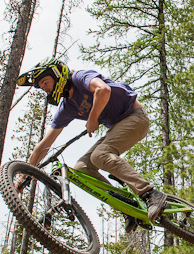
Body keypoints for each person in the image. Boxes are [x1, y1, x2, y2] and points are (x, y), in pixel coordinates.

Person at [15, 58, 167, 231]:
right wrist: (23, 175)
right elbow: (44, 144)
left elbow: (103, 90)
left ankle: (150, 193)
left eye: (45, 82)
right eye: (41, 87)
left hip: (136, 117)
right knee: (81, 168)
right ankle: (127, 208)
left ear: (58, 75)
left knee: (99, 155)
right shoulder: (67, 107)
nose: (44, 88)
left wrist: (92, 118)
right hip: (118, 127)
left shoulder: (80, 77)